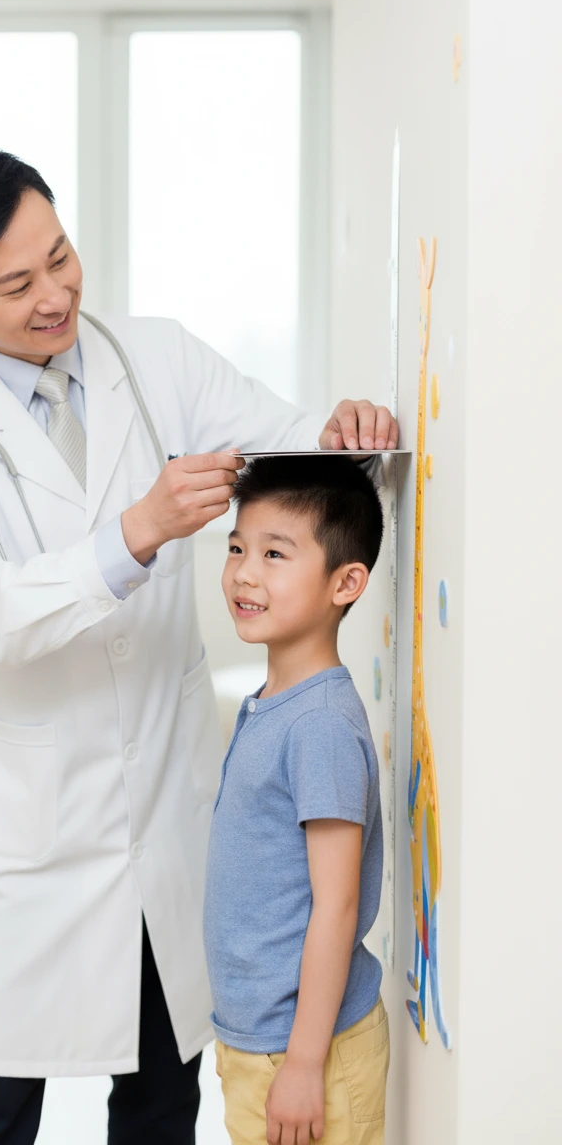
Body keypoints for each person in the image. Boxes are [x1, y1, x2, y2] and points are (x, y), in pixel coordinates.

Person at [0, 143, 398, 1145]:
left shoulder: (153, 358)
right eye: (16, 283)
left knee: (162, 1097)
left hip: (165, 801)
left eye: (61, 256)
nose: (55, 294)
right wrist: (134, 532)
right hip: (30, 838)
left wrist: (340, 429)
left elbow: (288, 443)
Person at [204, 455, 388, 1145]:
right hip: (262, 1043)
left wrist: (306, 1064)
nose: (245, 573)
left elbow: (335, 907)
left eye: (275, 554)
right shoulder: (274, 704)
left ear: (345, 582)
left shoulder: (319, 727)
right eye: (237, 548)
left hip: (307, 1050)